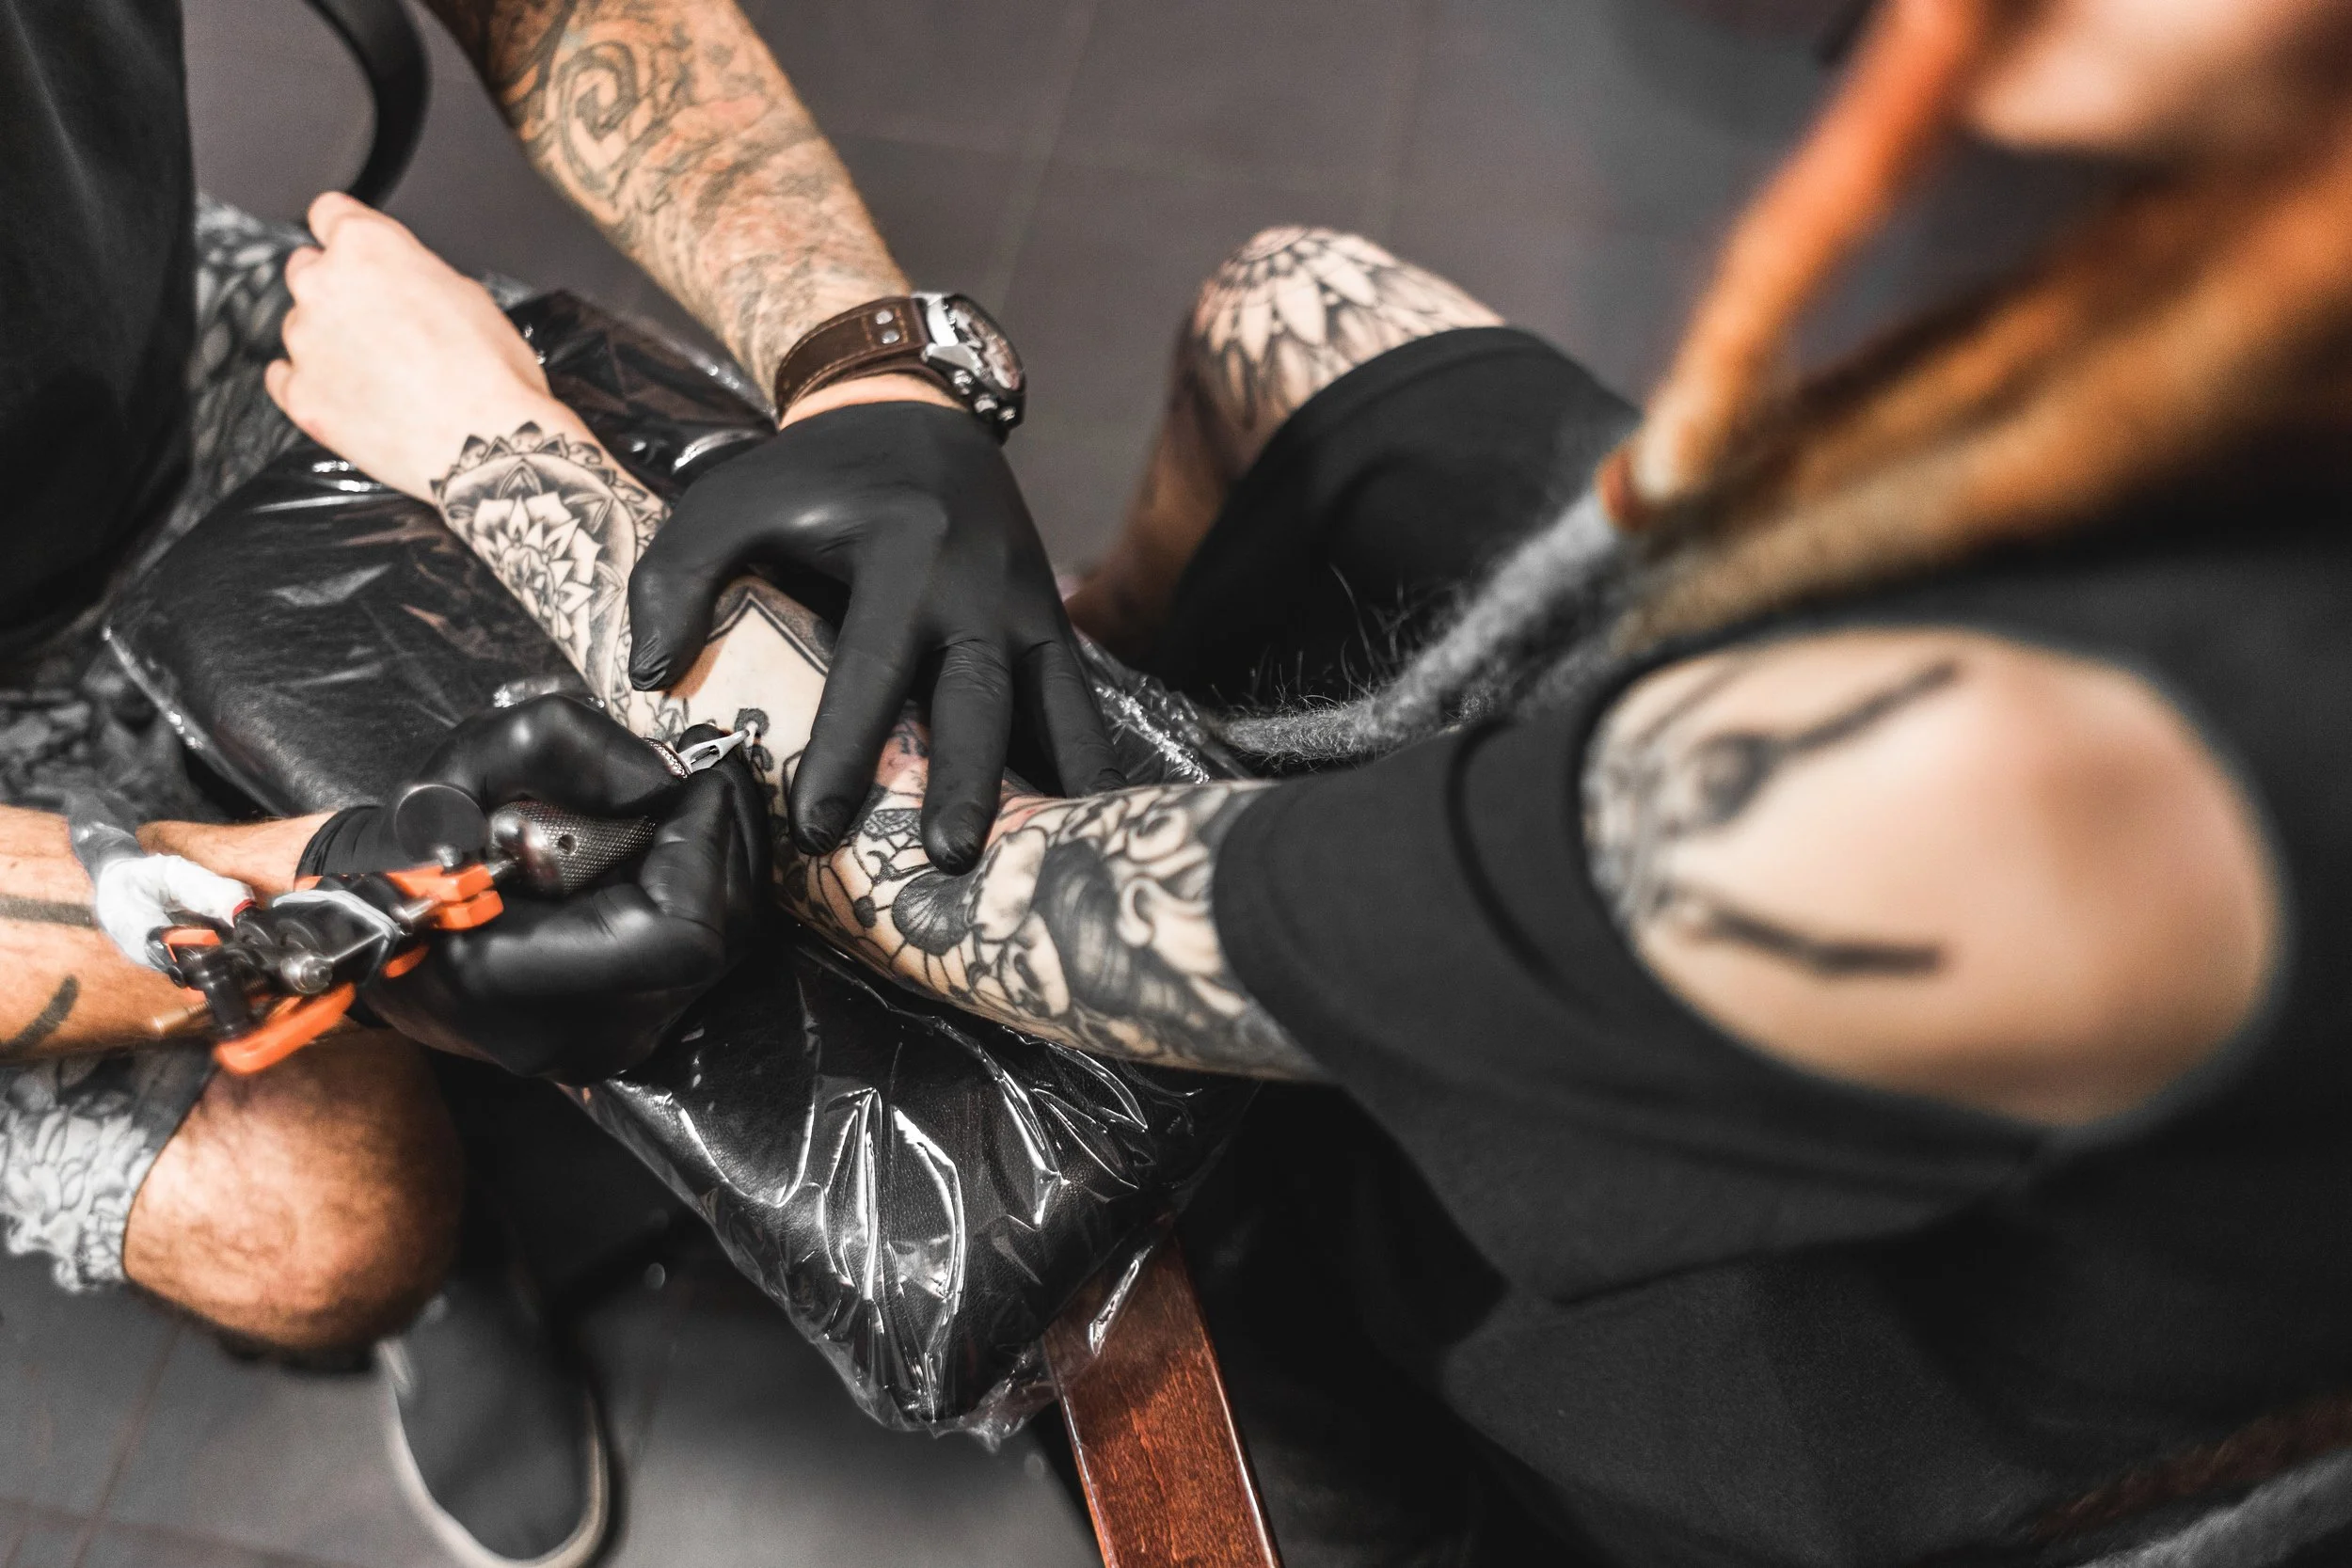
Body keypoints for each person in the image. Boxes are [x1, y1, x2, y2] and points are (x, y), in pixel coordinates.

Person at [267, 0, 2352, 1560]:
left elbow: (970, 899)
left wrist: (491, 446)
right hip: (1837, 823)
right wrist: (890, 373)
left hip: (1762, 1347)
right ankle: (1114, 675)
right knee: (1300, 308)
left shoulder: (2078, 777)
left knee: (993, 929)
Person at [0, 3, 1102, 1564]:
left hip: (166, 368)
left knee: (804, 627)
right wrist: (331, 902)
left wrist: (874, 370)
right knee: (329, 1224)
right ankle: (447, 1267)